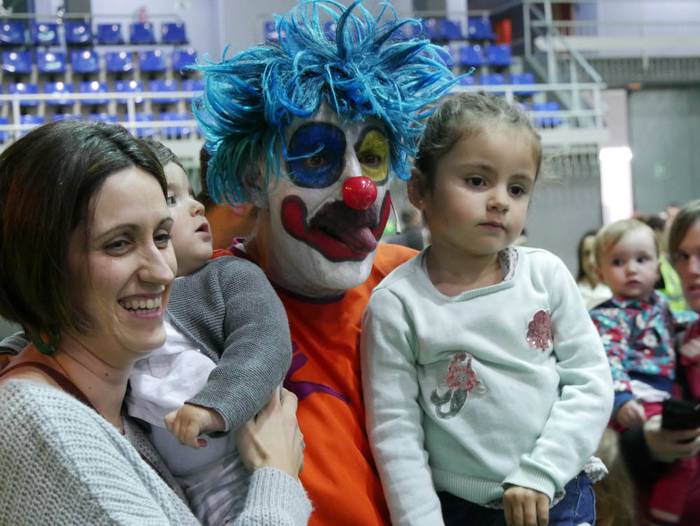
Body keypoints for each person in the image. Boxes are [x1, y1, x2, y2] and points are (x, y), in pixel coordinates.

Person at [191, 1, 458, 524]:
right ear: (253, 179)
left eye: (373, 157)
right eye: (316, 157)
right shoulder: (208, 306)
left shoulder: (420, 281)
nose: (359, 188)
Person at [0, 121, 309, 524]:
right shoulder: (42, 422)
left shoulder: (116, 411)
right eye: (119, 243)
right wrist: (277, 475)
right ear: (41, 265)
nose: (163, 272)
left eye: (162, 237)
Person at [361, 92, 613, 526]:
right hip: (458, 509)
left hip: (556, 493)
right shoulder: (396, 304)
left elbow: (590, 383)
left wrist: (542, 472)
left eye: (517, 188)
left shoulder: (546, 275)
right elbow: (395, 433)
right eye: (477, 181)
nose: (500, 201)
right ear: (420, 190)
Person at [124, 139, 297, 525]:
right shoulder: (126, 298)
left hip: (237, 471)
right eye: (172, 199)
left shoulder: (230, 276)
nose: (197, 205)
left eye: (190, 192)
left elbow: (264, 341)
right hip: (171, 485)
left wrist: (214, 405)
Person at [590, 218, 694, 525]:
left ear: (658, 267)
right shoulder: (608, 315)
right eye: (618, 262)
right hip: (634, 394)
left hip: (661, 393)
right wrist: (622, 398)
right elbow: (608, 358)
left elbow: (677, 323)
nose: (631, 269)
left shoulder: (659, 304)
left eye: (642, 259)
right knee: (683, 449)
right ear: (600, 273)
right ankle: (662, 511)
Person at [576, 228, 612, 309]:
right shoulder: (571, 292)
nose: (591, 261)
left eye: (596, 253)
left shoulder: (618, 292)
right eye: (587, 253)